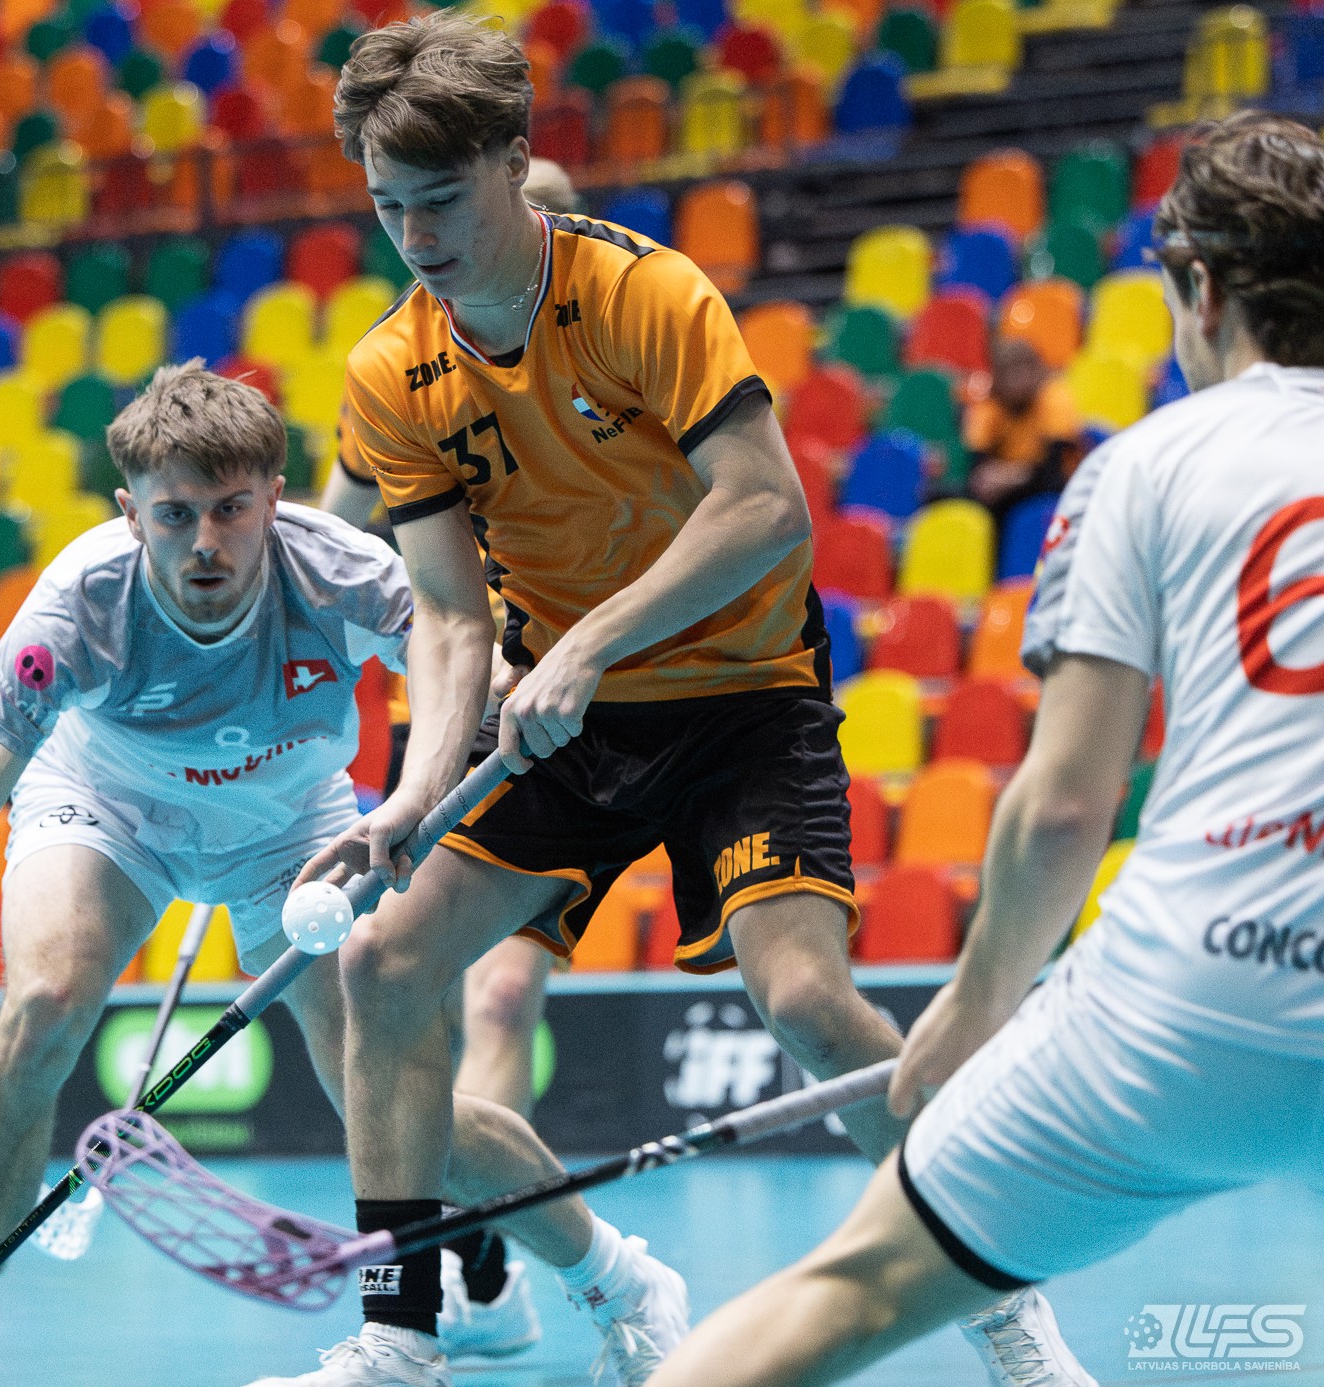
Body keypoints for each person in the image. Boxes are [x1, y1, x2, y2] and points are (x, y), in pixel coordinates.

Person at [256, 14, 1088, 1387]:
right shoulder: (388, 373)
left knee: (806, 999)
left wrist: (591, 641)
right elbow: (451, 615)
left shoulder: (646, 294)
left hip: (739, 697)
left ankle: (1001, 1297)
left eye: (440, 198)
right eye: (388, 206)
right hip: (562, 725)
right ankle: (401, 1334)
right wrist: (414, 791)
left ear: (513, 161)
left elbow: (767, 508)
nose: (415, 235)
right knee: (384, 966)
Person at [645, 111, 1324, 1387]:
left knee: (845, 1296)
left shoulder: (1145, 464)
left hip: (1191, 1000)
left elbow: (1064, 805)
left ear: (1201, 288)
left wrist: (972, 1009)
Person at [0, 362, 648, 1387]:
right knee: (43, 1002)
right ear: (131, 513)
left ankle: (620, 1280)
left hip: (289, 829)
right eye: (174, 514)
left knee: (390, 1097)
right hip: (109, 809)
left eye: (230, 509)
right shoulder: (77, 611)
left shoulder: (339, 571)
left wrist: (514, 688)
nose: (204, 541)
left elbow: (455, 656)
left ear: (274, 498)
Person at [319, 154, 588, 1365]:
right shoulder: (401, 377)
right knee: (397, 994)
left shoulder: (602, 360)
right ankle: (468, 1256)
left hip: (568, 716)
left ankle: (486, 1244)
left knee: (500, 993)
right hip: (447, 718)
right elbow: (327, 546)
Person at [962, 336, 1083, 522]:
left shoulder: (1054, 398)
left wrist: (1013, 477)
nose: (1020, 379)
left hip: (1055, 488)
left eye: (1027, 368)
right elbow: (977, 468)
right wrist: (996, 478)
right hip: (1002, 490)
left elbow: (1055, 472)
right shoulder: (989, 405)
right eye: (1011, 372)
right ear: (997, 377)